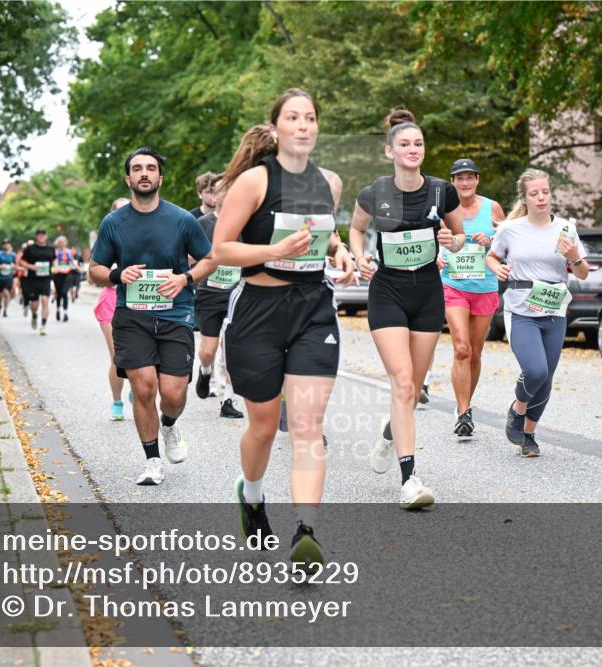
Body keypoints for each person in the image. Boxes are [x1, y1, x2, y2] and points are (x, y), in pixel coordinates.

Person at [213, 89, 355, 567]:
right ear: (276, 129)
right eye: (293, 117)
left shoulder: (329, 182)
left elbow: (325, 233)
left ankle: (305, 532)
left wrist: (340, 251)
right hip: (258, 310)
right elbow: (222, 249)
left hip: (313, 309)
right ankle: (252, 495)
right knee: (263, 425)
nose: (303, 125)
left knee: (307, 425)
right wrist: (273, 252)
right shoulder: (254, 181)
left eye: (310, 117)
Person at [348, 107, 466, 510]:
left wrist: (452, 242)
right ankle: (409, 480)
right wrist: (359, 256)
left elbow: (459, 235)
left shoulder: (442, 192)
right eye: (404, 144)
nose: (413, 149)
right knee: (401, 383)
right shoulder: (374, 192)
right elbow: (356, 228)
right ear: (389, 151)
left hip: (428, 293)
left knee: (412, 390)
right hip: (388, 292)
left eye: (418, 143)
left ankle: (389, 434)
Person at [89, 147, 216, 486]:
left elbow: (209, 260)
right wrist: (117, 275)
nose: (144, 173)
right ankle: (152, 460)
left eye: (150, 168)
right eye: (137, 168)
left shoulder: (182, 220)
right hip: (131, 317)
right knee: (144, 388)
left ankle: (169, 424)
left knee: (173, 395)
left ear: (161, 177)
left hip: (175, 315)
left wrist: (185, 279)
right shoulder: (114, 223)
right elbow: (95, 269)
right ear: (128, 178)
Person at [485, 168, 588, 458]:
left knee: (547, 377)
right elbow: (491, 256)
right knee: (536, 370)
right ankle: (517, 408)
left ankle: (529, 434)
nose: (541, 197)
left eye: (545, 192)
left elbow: (582, 272)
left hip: (555, 310)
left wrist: (573, 257)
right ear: (525, 198)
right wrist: (497, 268)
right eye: (534, 193)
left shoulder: (565, 229)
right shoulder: (510, 229)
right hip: (521, 309)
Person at [439, 158, 505, 438]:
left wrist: (490, 242)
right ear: (452, 182)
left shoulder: (492, 208)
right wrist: (436, 259)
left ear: (477, 179)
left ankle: (464, 403)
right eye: (459, 178)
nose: (465, 182)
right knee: (461, 348)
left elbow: (507, 243)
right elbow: (432, 240)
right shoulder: (444, 209)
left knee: (476, 352)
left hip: (485, 287)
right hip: (453, 285)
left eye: (469, 177)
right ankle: (464, 412)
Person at [194, 171, 244, 419]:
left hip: (237, 293)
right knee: (208, 350)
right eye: (221, 189)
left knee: (232, 349)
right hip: (209, 294)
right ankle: (205, 372)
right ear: (213, 195)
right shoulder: (203, 223)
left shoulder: (244, 221)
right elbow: (189, 256)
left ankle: (228, 399)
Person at [95, 198, 131, 421]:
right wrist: (117, 275)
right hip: (112, 301)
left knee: (141, 355)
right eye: (121, 210)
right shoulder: (107, 238)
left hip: (139, 301)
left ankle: (138, 388)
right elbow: (95, 275)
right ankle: (117, 402)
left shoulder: (147, 234)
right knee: (118, 357)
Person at [20, 229, 55, 335]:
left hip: (46, 279)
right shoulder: (30, 249)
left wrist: (56, 266)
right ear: (36, 236)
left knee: (45, 300)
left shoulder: (50, 249)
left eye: (43, 235)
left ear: (46, 236)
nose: (41, 236)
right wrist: (30, 266)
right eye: (39, 235)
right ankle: (34, 315)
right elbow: (21, 261)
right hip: (33, 280)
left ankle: (43, 326)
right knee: (34, 304)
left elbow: (54, 260)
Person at [52, 235, 75, 322]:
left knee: (64, 293)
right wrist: (56, 267)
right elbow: (54, 261)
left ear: (65, 243)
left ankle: (65, 313)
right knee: (59, 293)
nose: (62, 244)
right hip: (58, 275)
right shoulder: (55, 252)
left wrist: (78, 268)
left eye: (63, 242)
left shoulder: (68, 252)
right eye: (60, 242)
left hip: (67, 274)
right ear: (58, 243)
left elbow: (72, 261)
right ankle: (58, 310)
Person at [0, 240, 17, 315]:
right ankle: (0, 305)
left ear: (10, 245)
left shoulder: (12, 255)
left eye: (8, 244)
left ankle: (5, 310)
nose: (6, 245)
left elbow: (15, 265)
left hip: (8, 278)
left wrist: (13, 267)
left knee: (7, 294)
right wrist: (0, 266)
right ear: (2, 246)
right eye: (5, 244)